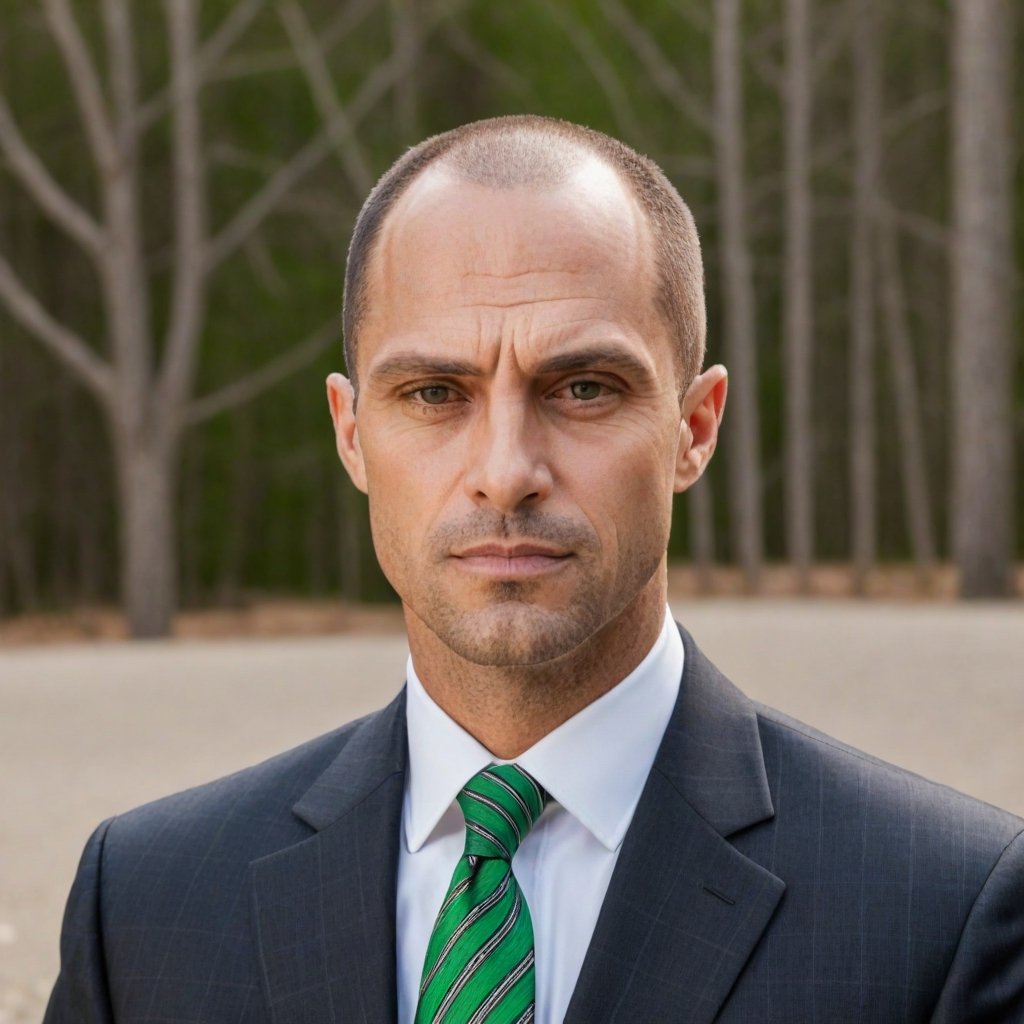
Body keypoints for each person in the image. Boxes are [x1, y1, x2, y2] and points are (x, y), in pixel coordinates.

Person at [46, 115, 1023, 1024]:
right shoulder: (143, 907)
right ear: (352, 434)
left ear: (693, 428)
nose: (506, 471)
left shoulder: (942, 914)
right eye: (435, 392)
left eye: (584, 387)